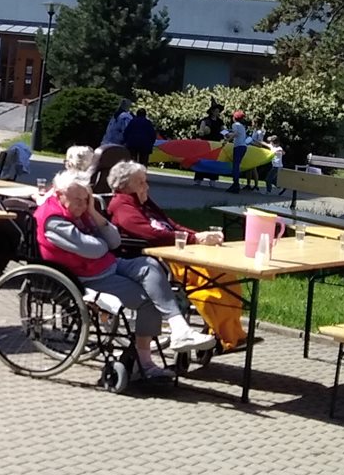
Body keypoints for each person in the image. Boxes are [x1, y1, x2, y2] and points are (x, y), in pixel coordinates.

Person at [36, 171, 208, 383]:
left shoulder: (82, 211)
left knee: (149, 264)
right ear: (59, 194)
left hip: (107, 264)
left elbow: (114, 241)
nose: (82, 205)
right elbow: (95, 249)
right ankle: (145, 363)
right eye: (77, 200)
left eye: (85, 199)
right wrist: (102, 243)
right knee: (147, 301)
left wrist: (93, 212)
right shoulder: (54, 220)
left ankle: (179, 328)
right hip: (88, 276)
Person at [102, 161, 244, 350]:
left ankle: (234, 333)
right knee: (209, 281)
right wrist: (194, 239)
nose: (146, 186)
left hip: (174, 252)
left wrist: (199, 236)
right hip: (155, 258)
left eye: (145, 181)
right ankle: (226, 338)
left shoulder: (143, 202)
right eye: (141, 182)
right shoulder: (122, 205)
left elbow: (171, 225)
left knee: (224, 274)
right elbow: (150, 234)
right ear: (124, 186)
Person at [226, 110, 251, 195]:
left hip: (238, 147)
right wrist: (229, 134)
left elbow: (235, 134)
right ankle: (235, 183)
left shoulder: (235, 124)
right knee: (237, 165)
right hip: (243, 146)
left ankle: (236, 184)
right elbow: (237, 134)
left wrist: (227, 140)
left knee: (235, 166)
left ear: (234, 118)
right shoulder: (242, 126)